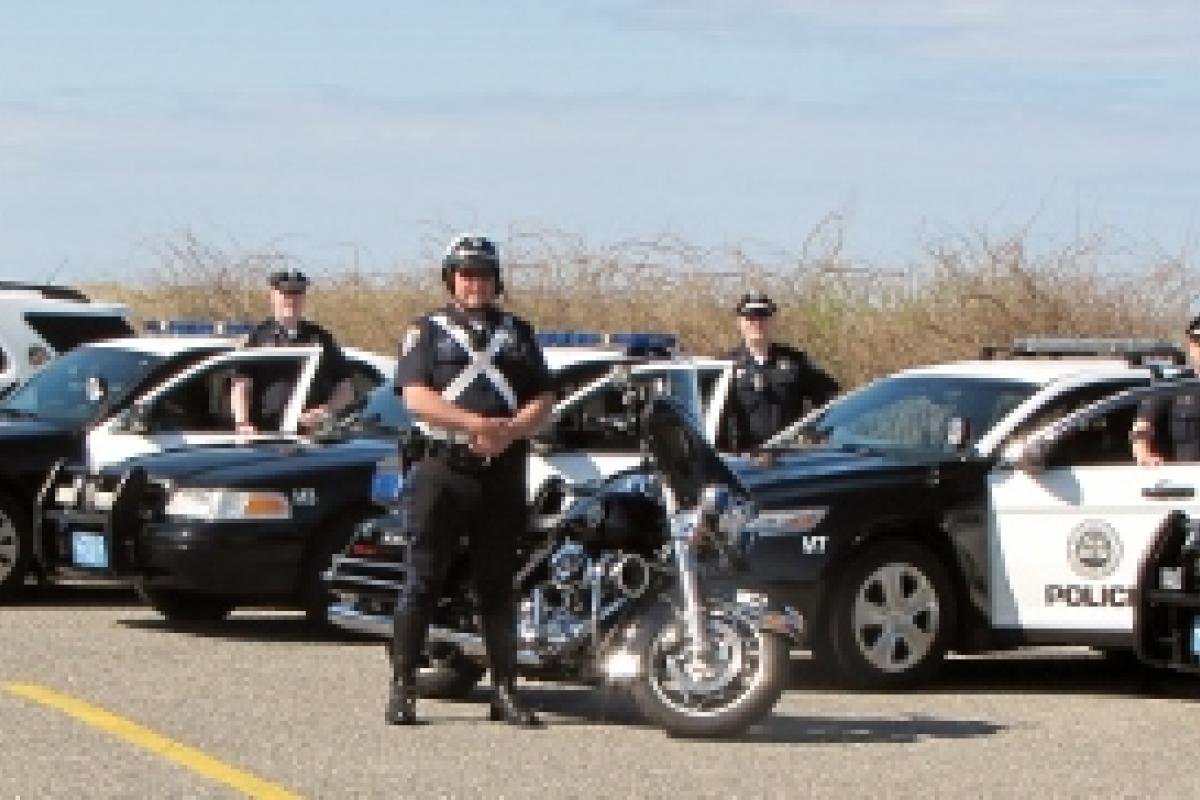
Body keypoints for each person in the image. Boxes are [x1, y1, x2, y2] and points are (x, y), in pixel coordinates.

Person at [386, 234, 554, 728]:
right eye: (466, 274)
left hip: (502, 472)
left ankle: (505, 691)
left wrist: (512, 430)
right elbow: (416, 397)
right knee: (423, 581)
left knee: (498, 587)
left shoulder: (520, 334)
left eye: (483, 275)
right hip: (443, 469)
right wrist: (475, 425)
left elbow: (542, 399)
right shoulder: (426, 332)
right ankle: (404, 688)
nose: (475, 283)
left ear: (496, 281)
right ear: (451, 280)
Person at [230, 269, 356, 434]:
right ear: (273, 295)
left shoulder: (320, 338)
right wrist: (242, 422)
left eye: (297, 293)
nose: (292, 299)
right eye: (286, 293)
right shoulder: (257, 337)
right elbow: (241, 385)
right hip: (265, 436)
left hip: (310, 439)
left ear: (304, 297)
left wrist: (324, 411)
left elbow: (346, 389)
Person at [721, 292, 839, 451]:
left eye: (763, 317)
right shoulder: (725, 365)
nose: (757, 323)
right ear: (740, 322)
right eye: (750, 318)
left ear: (772, 321)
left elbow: (830, 397)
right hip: (743, 461)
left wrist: (815, 432)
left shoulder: (795, 361)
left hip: (789, 458)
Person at [1131, 315, 1200, 465]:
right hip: (1187, 480)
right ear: (1190, 346)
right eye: (1198, 342)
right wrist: (1143, 452)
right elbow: (1143, 424)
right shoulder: (1173, 386)